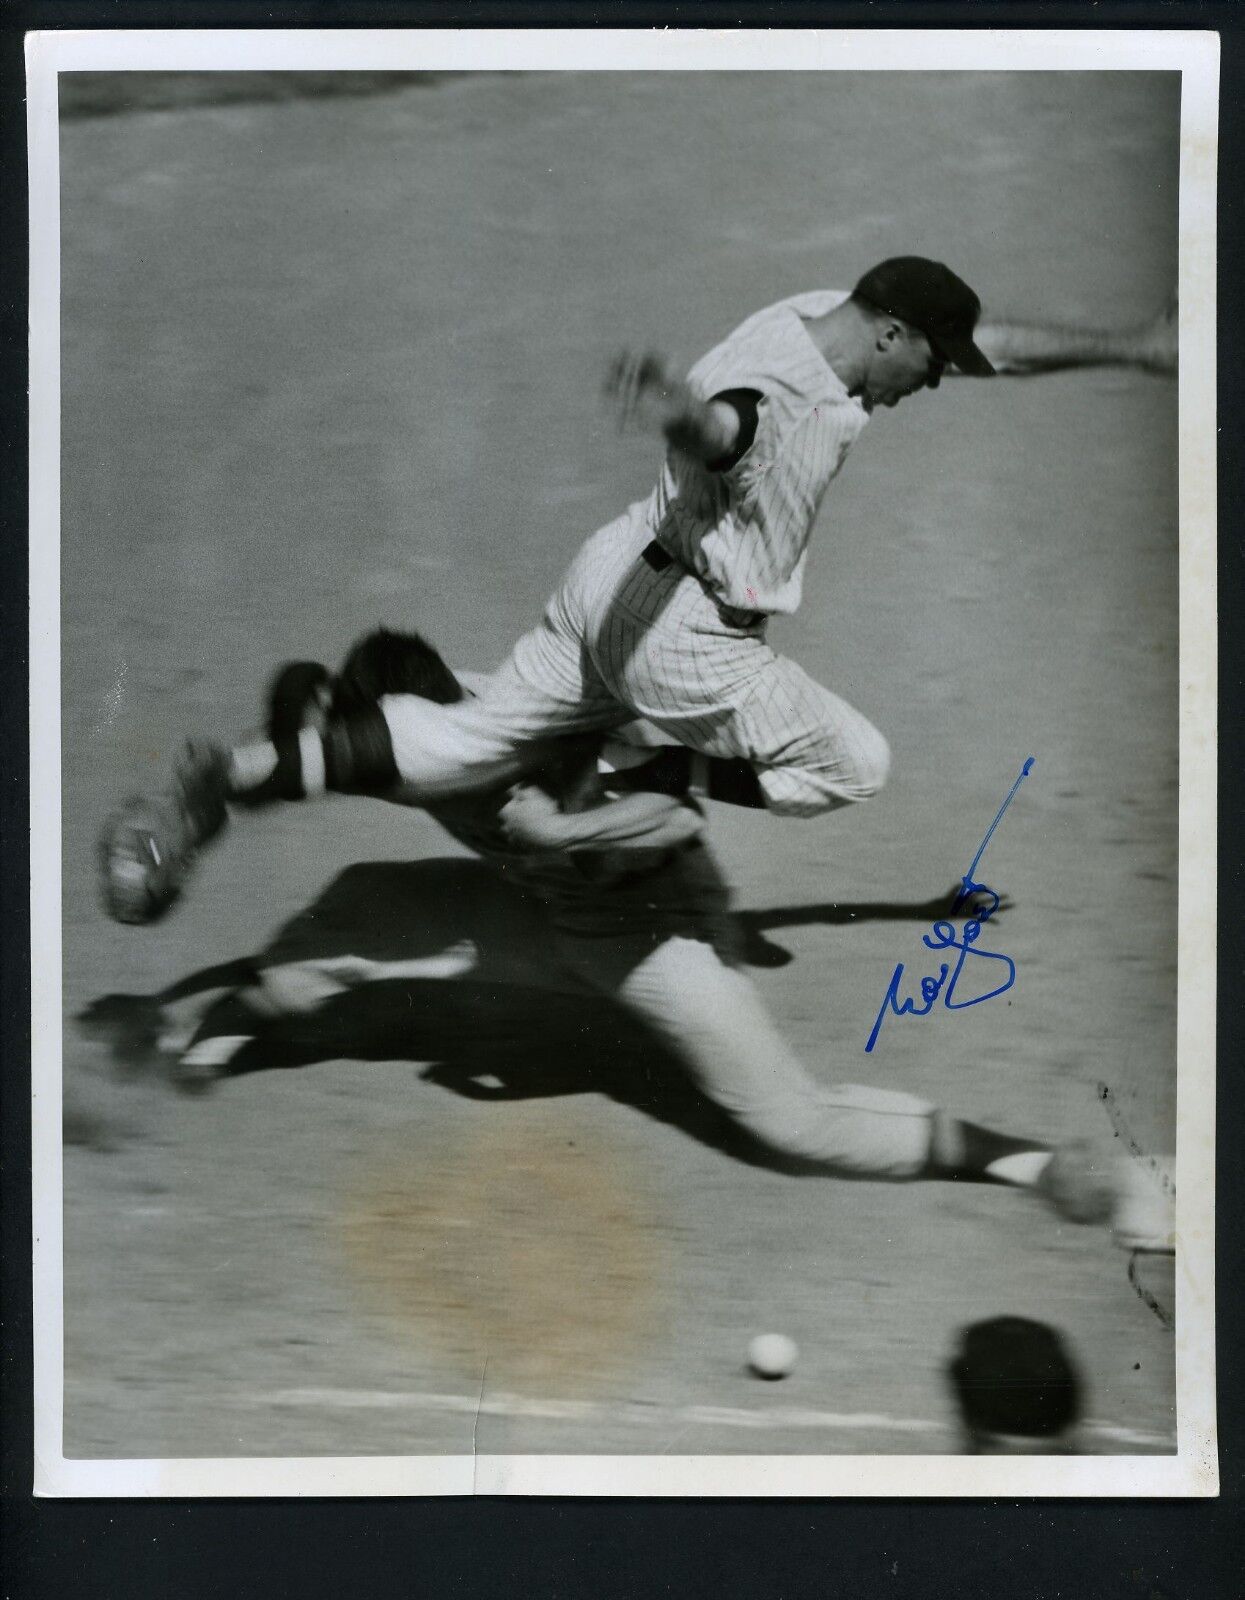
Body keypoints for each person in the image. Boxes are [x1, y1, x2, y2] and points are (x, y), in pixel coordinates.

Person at [99, 260, 1178, 917]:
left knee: (472, 741)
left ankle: (225, 780)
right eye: (925, 367)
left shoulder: (827, 314)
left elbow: (984, 346)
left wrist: (1136, 348)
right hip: (690, 644)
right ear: (891, 335)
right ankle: (645, 761)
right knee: (854, 765)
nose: (929, 385)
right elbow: (725, 428)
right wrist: (675, 407)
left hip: (612, 576)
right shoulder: (775, 398)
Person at [89, 627, 1171, 1243]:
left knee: (792, 1125)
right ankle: (177, 1057)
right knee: (340, 927)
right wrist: (183, 823)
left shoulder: (510, 733)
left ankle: (1067, 1174)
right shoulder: (423, 721)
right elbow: (255, 763)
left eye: (350, 739)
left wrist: (565, 830)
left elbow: (680, 810)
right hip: (540, 905)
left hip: (647, 929)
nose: (346, 756)